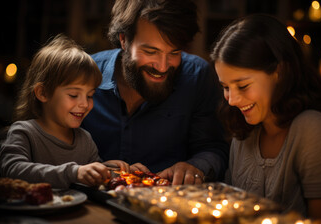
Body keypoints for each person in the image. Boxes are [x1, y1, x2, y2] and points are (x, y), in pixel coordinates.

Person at [210, 14, 321, 224]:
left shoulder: (312, 130)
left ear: (279, 72)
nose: (232, 100)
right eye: (225, 87)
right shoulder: (244, 136)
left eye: (243, 85)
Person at [81, 0, 229, 185]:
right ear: (124, 40)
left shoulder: (197, 76)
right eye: (151, 51)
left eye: (174, 53)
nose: (163, 66)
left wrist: (196, 166)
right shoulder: (84, 74)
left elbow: (213, 148)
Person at [0, 34, 139, 189]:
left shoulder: (85, 140)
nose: (85, 104)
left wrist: (113, 170)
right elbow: (11, 170)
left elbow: (92, 178)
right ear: (43, 93)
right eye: (73, 95)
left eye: (90, 95)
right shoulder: (24, 133)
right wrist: (73, 172)